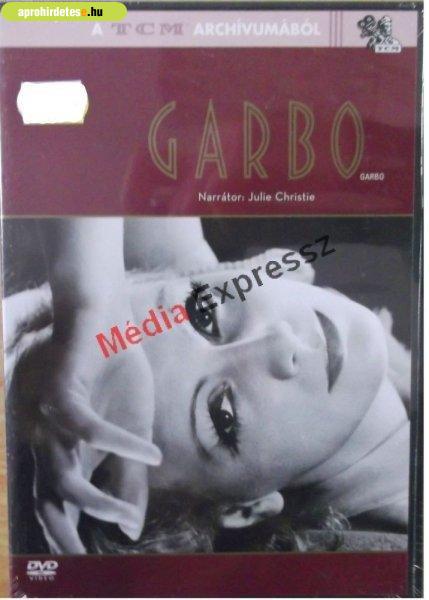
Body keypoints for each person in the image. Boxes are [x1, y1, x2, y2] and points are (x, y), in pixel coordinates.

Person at [4, 217, 410, 554]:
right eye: (224, 415)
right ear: (245, 508)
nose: (280, 343)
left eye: (204, 316)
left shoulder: (197, 274)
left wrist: (91, 300)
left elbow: (98, 145)